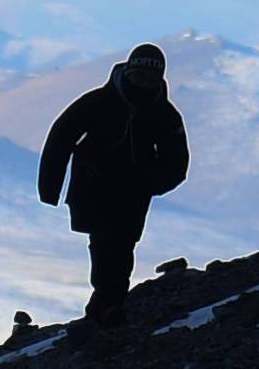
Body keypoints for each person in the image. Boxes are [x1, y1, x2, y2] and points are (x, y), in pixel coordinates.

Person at [38, 44, 190, 325]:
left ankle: (108, 302)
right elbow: (61, 138)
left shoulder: (165, 115)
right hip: (92, 187)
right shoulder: (97, 102)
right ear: (128, 72)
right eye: (139, 77)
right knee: (103, 240)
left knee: (123, 242)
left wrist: (149, 184)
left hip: (133, 194)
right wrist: (50, 188)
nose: (143, 84)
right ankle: (108, 301)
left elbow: (177, 161)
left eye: (150, 79)